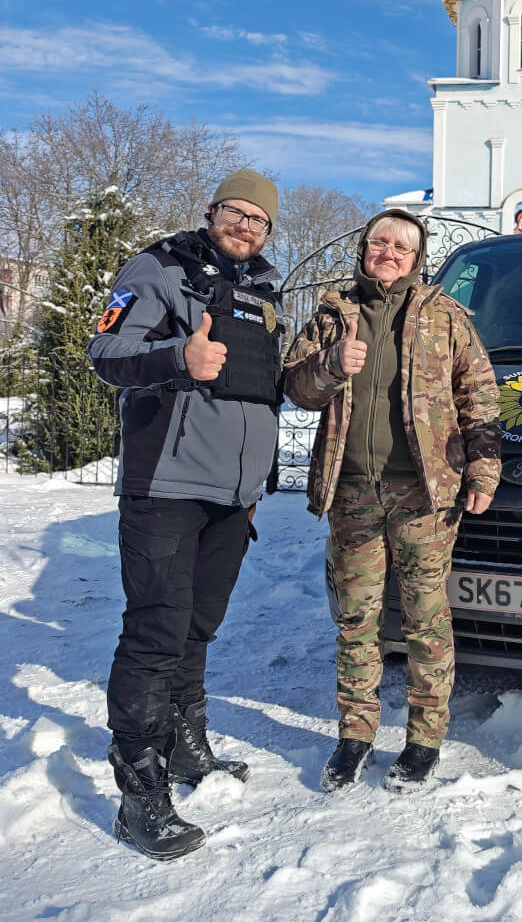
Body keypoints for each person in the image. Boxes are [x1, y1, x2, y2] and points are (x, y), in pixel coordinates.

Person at [88, 170, 283, 860]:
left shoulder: (265, 292)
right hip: (166, 485)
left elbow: (267, 389)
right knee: (155, 634)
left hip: (232, 496)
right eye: (237, 212)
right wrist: (179, 356)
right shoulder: (156, 268)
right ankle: (139, 793)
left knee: (198, 625)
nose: (247, 226)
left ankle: (186, 748)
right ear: (212, 211)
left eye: (259, 220)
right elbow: (105, 352)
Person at [283, 209, 500, 794]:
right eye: (380, 242)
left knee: (428, 621)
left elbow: (478, 394)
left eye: (402, 246)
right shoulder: (333, 315)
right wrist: (330, 366)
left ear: (417, 258)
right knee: (357, 622)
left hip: (423, 495)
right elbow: (296, 388)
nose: (389, 252)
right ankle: (354, 737)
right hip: (353, 491)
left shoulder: (445, 316)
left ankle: (424, 740)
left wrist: (483, 467)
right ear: (363, 249)